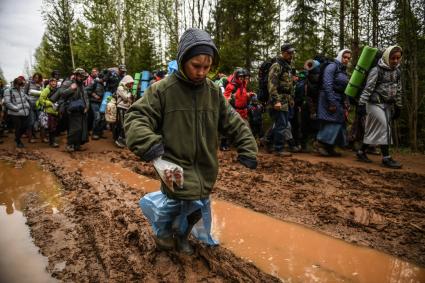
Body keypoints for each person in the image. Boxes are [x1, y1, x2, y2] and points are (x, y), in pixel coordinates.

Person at [124, 28, 257, 254]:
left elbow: (233, 121)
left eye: (207, 67)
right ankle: (164, 233)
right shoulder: (163, 90)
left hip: (205, 167)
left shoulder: (213, 92)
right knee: (172, 207)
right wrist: (150, 145)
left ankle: (183, 236)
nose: (201, 72)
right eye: (196, 66)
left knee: (196, 209)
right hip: (173, 167)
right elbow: (136, 117)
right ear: (183, 59)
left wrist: (248, 148)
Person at [356, 45, 403, 168]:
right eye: (393, 58)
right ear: (387, 57)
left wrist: (398, 106)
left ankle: (361, 151)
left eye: (398, 58)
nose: (396, 61)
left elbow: (398, 90)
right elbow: (368, 89)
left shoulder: (397, 71)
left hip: (387, 104)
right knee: (384, 127)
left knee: (372, 130)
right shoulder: (376, 70)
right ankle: (386, 158)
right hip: (374, 104)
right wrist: (361, 104)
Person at [316, 49, 352, 156]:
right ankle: (320, 143)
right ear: (340, 56)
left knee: (339, 121)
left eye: (348, 58)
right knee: (333, 121)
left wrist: (346, 102)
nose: (346, 60)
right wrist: (331, 101)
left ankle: (330, 147)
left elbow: (344, 88)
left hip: (338, 98)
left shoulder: (343, 70)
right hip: (328, 97)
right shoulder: (332, 66)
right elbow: (327, 83)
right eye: (344, 57)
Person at [264, 43, 297, 156]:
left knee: (281, 123)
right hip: (279, 100)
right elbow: (272, 84)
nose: (291, 55)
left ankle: (267, 140)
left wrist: (291, 99)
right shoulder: (277, 65)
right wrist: (275, 100)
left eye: (292, 52)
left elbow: (289, 84)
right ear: (283, 53)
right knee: (282, 124)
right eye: (289, 53)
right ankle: (278, 148)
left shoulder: (288, 66)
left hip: (286, 100)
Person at [61, 68, 90, 152]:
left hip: (82, 110)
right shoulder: (68, 83)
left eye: (83, 76)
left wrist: (87, 107)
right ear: (76, 75)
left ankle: (77, 145)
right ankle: (69, 145)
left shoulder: (82, 85)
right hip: (72, 110)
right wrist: (71, 89)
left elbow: (86, 97)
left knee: (81, 128)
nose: (82, 78)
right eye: (80, 76)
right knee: (74, 128)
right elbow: (62, 94)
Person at [4, 77, 31, 148]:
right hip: (15, 113)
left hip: (25, 112)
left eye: (21, 85)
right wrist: (16, 108)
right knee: (18, 128)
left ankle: (17, 138)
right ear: (15, 84)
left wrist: (27, 106)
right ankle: (18, 141)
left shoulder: (22, 90)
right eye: (18, 85)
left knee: (25, 127)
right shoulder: (8, 91)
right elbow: (7, 102)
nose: (19, 86)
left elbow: (25, 99)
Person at [37, 78, 60, 147]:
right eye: (52, 82)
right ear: (49, 83)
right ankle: (52, 142)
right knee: (51, 127)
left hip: (55, 111)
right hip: (48, 111)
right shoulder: (46, 90)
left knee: (54, 127)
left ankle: (52, 141)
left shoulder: (56, 90)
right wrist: (50, 103)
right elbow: (41, 100)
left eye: (55, 82)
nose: (54, 83)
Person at [114, 75, 134, 148]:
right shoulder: (121, 88)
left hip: (126, 108)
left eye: (132, 83)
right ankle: (119, 140)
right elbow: (126, 98)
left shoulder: (127, 89)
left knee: (125, 124)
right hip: (121, 108)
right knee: (123, 124)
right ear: (127, 82)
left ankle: (122, 139)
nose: (131, 85)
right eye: (130, 83)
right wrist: (130, 95)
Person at [25, 72, 44, 143]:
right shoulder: (29, 83)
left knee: (41, 121)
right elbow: (24, 94)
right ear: (33, 77)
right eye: (35, 77)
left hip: (39, 105)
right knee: (31, 122)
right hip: (31, 105)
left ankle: (42, 137)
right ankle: (30, 138)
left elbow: (43, 93)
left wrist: (40, 87)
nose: (37, 79)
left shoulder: (41, 84)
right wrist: (29, 99)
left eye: (38, 77)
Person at [86, 73, 105, 140]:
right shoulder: (94, 82)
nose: (104, 80)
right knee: (97, 117)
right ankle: (94, 133)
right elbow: (87, 89)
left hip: (101, 103)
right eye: (103, 79)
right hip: (94, 102)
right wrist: (94, 95)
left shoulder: (103, 84)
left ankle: (99, 133)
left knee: (102, 118)